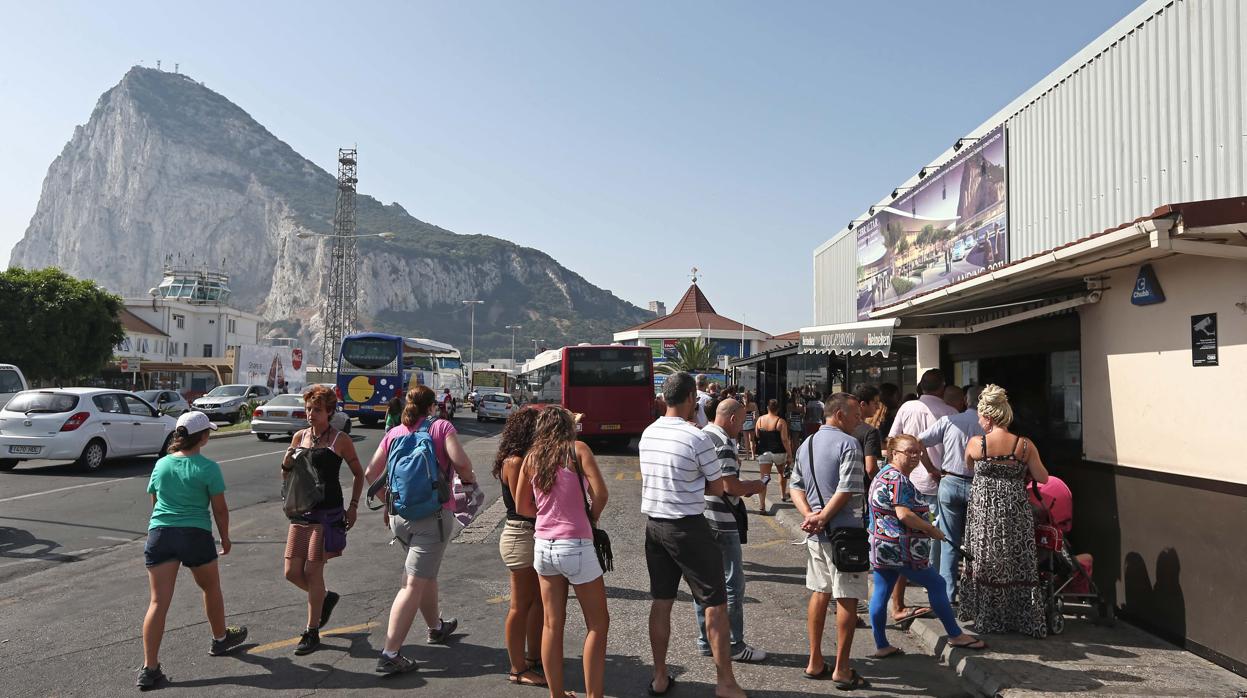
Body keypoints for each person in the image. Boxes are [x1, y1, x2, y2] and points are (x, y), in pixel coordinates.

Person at [639, 372, 746, 698]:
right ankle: (725, 682)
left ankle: (659, 676)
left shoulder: (648, 433)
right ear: (689, 399)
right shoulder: (696, 438)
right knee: (715, 604)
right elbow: (717, 488)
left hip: (654, 526)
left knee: (661, 601)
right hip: (687, 527)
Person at [365, 385, 480, 673]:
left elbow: (370, 473)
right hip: (433, 518)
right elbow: (462, 464)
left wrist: (388, 503)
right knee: (412, 583)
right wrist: (469, 482)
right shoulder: (441, 427)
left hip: (400, 518)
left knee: (424, 574)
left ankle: (436, 627)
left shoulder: (394, 433)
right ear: (432, 406)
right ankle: (391, 653)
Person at [137, 412, 247, 689]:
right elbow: (219, 510)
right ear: (203, 437)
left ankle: (149, 669)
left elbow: (155, 498)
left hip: (160, 534)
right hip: (195, 534)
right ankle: (220, 639)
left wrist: (162, 526)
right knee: (210, 588)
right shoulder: (208, 468)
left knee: (158, 602)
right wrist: (225, 538)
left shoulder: (161, 464)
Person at [515, 407, 610, 698]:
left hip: (544, 545)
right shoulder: (577, 450)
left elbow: (522, 507)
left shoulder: (532, 457)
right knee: (597, 624)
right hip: (576, 545)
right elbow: (601, 494)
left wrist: (545, 515)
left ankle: (557, 694)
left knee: (552, 624)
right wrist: (590, 517)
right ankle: (593, 694)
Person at [866, 434, 986, 658]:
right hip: (902, 547)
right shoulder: (899, 479)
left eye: (917, 451)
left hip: (881, 545)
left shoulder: (883, 473)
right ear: (894, 453)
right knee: (938, 583)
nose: (914, 456)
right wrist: (930, 529)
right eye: (908, 452)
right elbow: (904, 514)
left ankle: (881, 644)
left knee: (881, 592)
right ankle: (954, 634)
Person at [789, 392, 869, 690]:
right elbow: (847, 489)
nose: (859, 420)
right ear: (839, 415)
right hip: (845, 533)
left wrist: (811, 516)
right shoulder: (849, 444)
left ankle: (814, 660)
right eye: (855, 415)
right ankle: (842, 669)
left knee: (819, 592)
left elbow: (795, 485)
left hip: (817, 535)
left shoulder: (807, 443)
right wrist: (822, 517)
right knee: (847, 596)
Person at [959, 384, 1050, 637]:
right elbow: (1043, 477)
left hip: (984, 512)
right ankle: (1020, 617)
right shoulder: (1024, 446)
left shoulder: (977, 444)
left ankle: (988, 617)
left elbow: (967, 466)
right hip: (1015, 511)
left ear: (988, 416)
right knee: (1015, 561)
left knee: (986, 560)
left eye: (979, 415)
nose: (978, 420)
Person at [281, 385, 365, 655]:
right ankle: (325, 598)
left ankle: (311, 630)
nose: (311, 414)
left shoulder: (339, 439)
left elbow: (358, 473)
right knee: (292, 573)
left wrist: (352, 507)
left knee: (312, 572)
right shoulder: (299, 437)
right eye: (308, 409)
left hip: (326, 514)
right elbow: (289, 480)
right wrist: (285, 465)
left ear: (329, 412)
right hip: (301, 513)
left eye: (317, 410)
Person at [696, 398, 769, 662]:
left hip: (701, 517)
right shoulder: (724, 443)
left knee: (703, 583)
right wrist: (757, 485)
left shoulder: (702, 436)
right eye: (741, 421)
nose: (742, 426)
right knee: (732, 584)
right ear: (731, 419)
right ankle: (734, 645)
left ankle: (706, 641)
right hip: (722, 521)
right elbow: (729, 486)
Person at [886, 369, 956, 622]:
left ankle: (904, 594)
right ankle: (934, 586)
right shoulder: (950, 412)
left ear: (920, 387)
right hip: (939, 482)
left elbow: (892, 438)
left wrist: (892, 469)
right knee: (937, 536)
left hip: (908, 480)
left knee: (908, 537)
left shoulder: (907, 408)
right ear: (943, 387)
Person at [493, 407, 546, 687]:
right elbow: (523, 506)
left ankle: (533, 657)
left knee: (537, 602)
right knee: (520, 605)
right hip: (520, 535)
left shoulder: (523, 458)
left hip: (529, 535)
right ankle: (517, 668)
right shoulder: (514, 461)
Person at [918, 384, 985, 598]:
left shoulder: (949, 421)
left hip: (950, 481)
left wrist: (930, 468)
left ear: (966, 400)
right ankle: (977, 592)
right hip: (979, 485)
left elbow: (918, 442)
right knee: (979, 540)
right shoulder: (989, 426)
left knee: (949, 540)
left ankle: (947, 594)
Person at [753, 399, 792, 514]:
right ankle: (783, 495)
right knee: (781, 473)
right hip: (779, 452)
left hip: (764, 452)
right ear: (778, 409)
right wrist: (789, 454)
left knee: (764, 478)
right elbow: (785, 440)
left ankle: (762, 506)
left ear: (767, 408)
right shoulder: (780, 421)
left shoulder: (760, 420)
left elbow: (757, 435)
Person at [852, 385, 884, 481]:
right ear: (863, 404)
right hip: (863, 488)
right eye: (875, 403)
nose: (878, 407)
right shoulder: (870, 432)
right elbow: (871, 469)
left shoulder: (843, 428)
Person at [739, 391, 758, 460]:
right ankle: (753, 455)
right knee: (752, 440)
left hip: (744, 424)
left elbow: (740, 416)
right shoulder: (754, 404)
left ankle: (747, 456)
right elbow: (755, 415)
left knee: (746, 440)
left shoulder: (742, 405)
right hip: (752, 423)